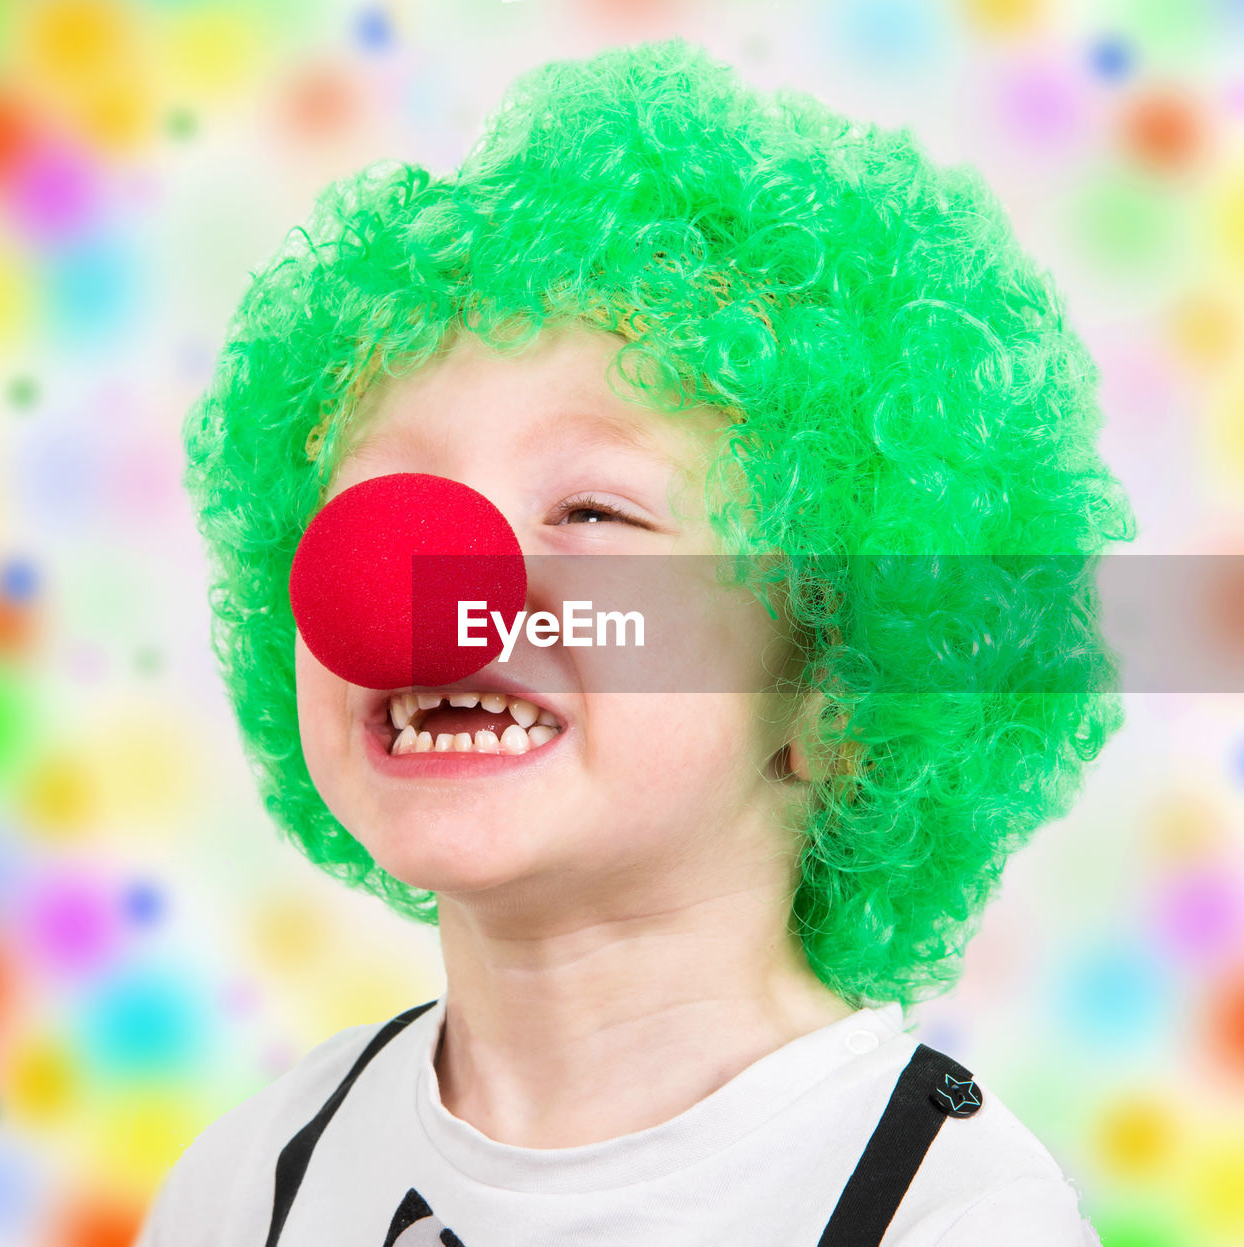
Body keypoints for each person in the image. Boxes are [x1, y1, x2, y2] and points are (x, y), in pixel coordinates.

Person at [135, 36, 1134, 1247]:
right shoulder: (258, 1180)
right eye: (383, 510)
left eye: (591, 512)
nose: (437, 575)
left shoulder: (947, 1216)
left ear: (834, 691)